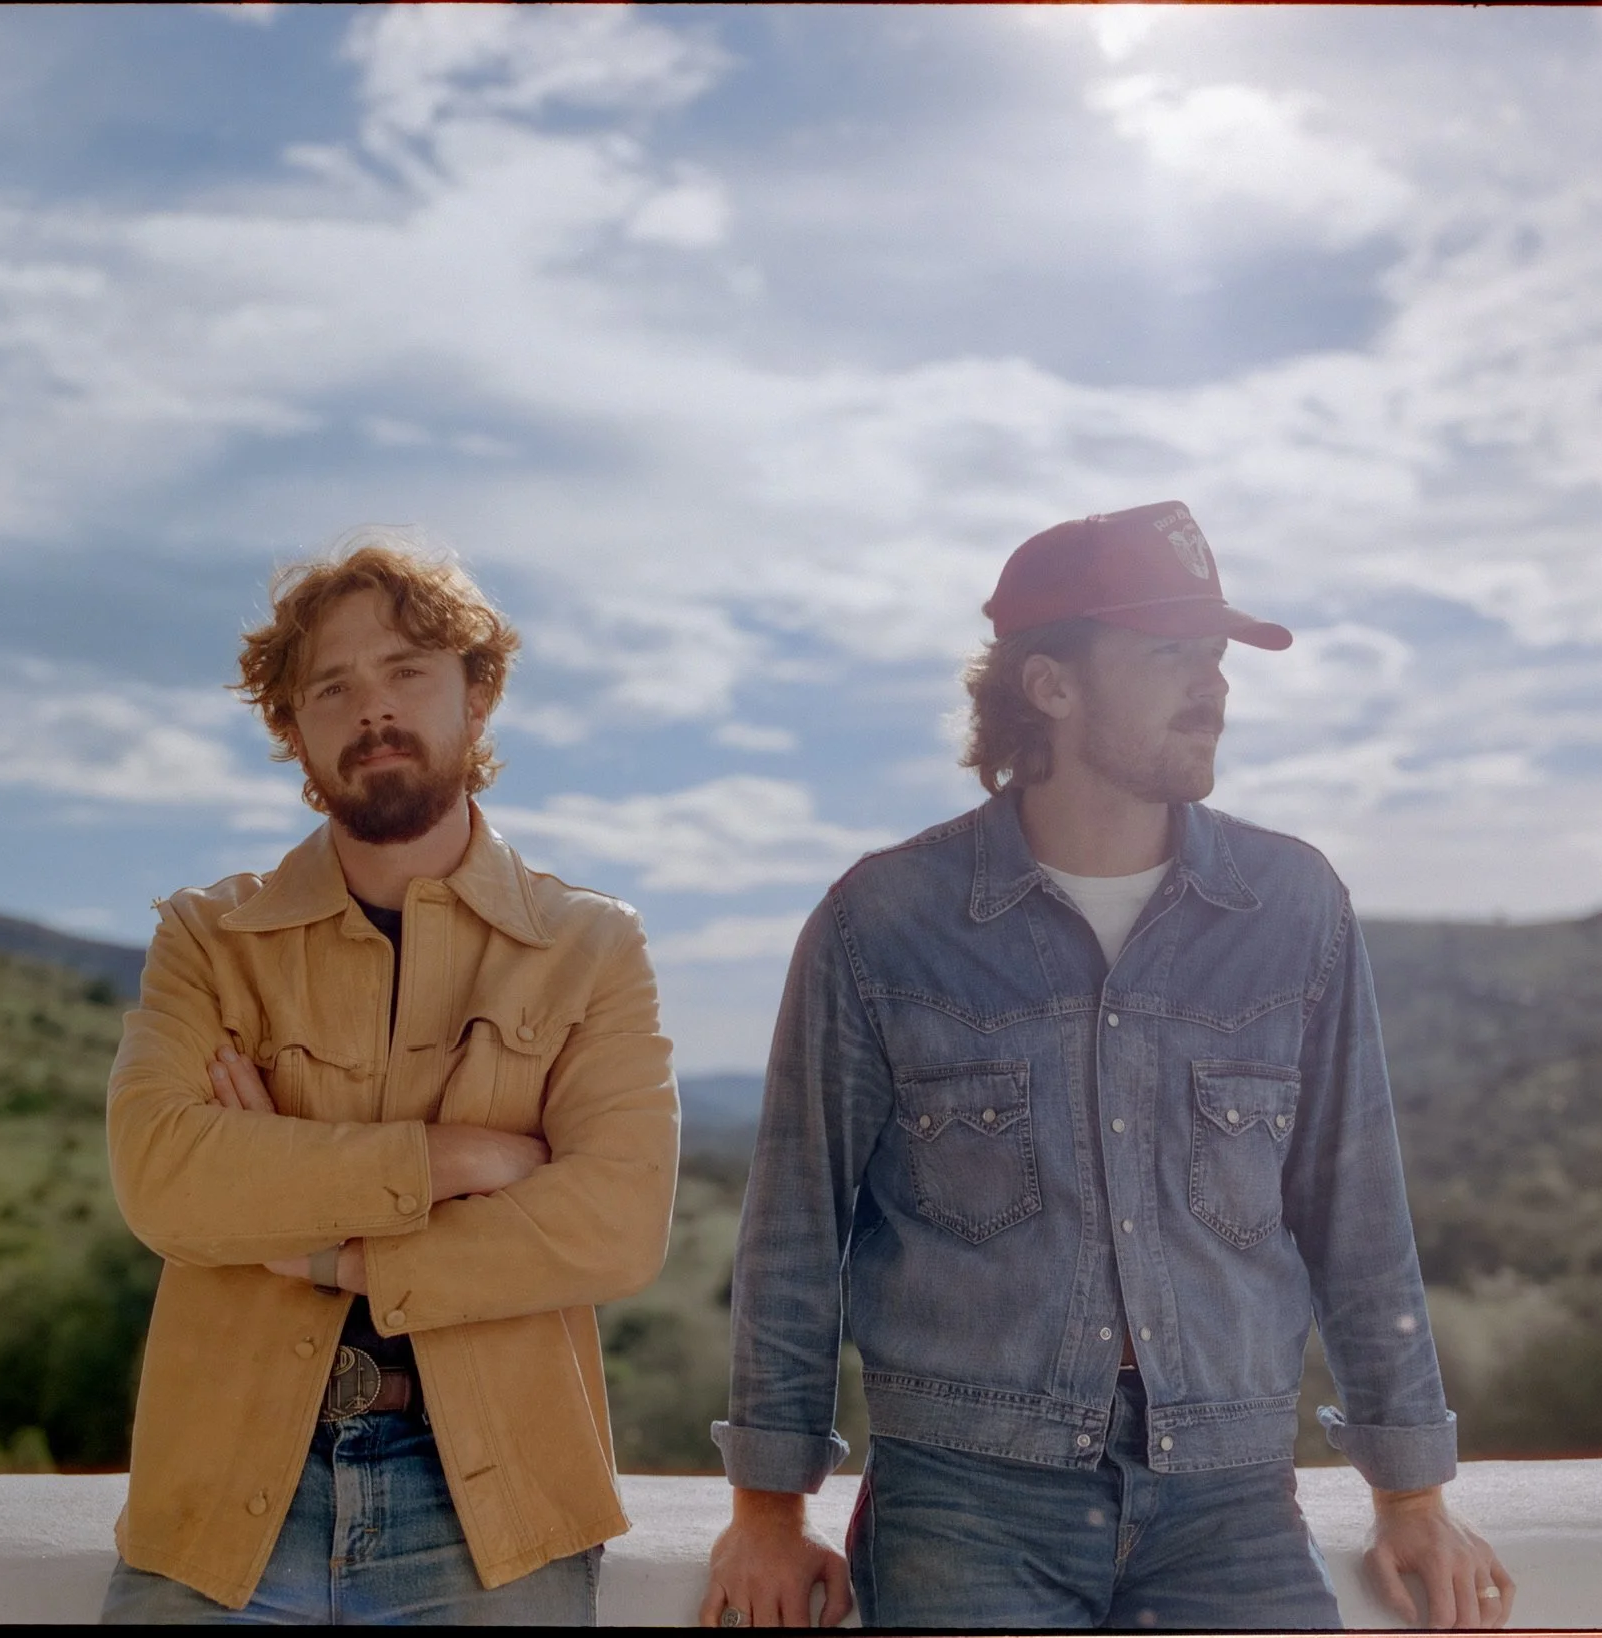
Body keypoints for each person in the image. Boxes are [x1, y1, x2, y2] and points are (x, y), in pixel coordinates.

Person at [701, 502, 1514, 1631]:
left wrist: (1411, 1493)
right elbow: (795, 1229)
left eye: (1216, 656)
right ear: (1050, 685)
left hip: (1230, 1498)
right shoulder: (882, 922)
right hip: (965, 1501)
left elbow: (1356, 1217)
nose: (1212, 685)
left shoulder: (1294, 910)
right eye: (1170, 652)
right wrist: (767, 1509)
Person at [100, 531, 679, 1624]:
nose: (372, 708)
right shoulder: (209, 939)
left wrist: (322, 1250)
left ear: (476, 696)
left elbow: (616, 1224)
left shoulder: (588, 945)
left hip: (495, 1512)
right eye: (332, 686)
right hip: (221, 1491)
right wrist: (454, 1160)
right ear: (294, 728)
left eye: (407, 671)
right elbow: (163, 1179)